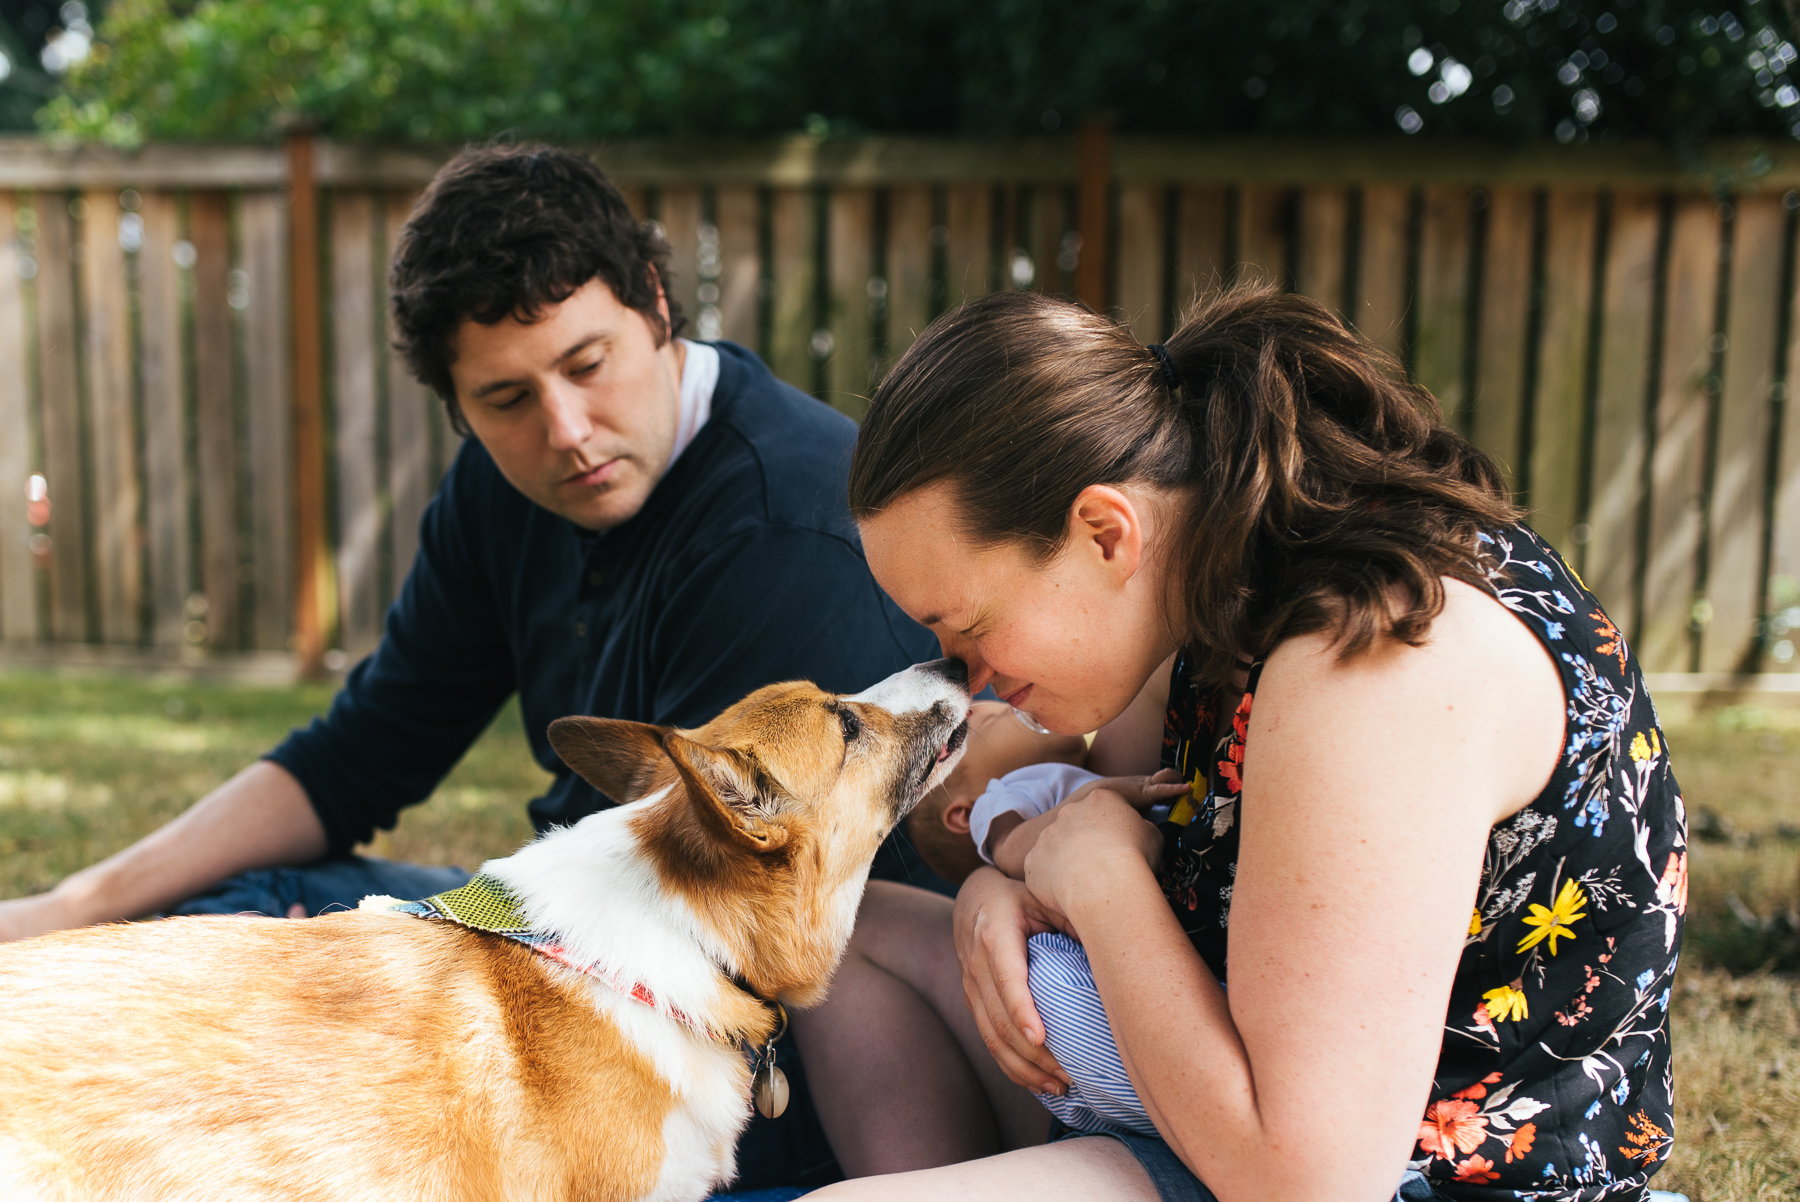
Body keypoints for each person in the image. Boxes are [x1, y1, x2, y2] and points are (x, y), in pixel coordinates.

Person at [0, 143, 937, 1190]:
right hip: (578, 956)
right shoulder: (508, 487)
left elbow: (722, 921)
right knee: (234, 896)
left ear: (658, 307)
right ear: (457, 406)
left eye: (587, 365)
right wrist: (74, 899)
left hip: (733, 1044)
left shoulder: (780, 528)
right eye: (505, 399)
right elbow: (365, 749)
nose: (566, 432)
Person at [791, 283, 1686, 1202]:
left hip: (1383, 1177)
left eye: (970, 627)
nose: (963, 677)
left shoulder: (1371, 663)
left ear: (1106, 532)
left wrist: (1099, 882)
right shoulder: (1208, 585)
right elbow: (1074, 823)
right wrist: (989, 893)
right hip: (1193, 1101)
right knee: (837, 936)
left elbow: (1311, 1182)